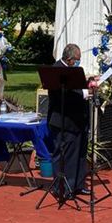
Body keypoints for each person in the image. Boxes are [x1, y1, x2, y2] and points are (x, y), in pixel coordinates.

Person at [46, 43, 91, 198]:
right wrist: (84, 93)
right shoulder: (56, 70)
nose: (78, 62)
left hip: (78, 120)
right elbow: (64, 93)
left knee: (79, 153)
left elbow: (77, 85)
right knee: (64, 154)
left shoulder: (73, 70)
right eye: (77, 59)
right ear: (70, 58)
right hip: (63, 121)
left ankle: (78, 184)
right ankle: (62, 188)